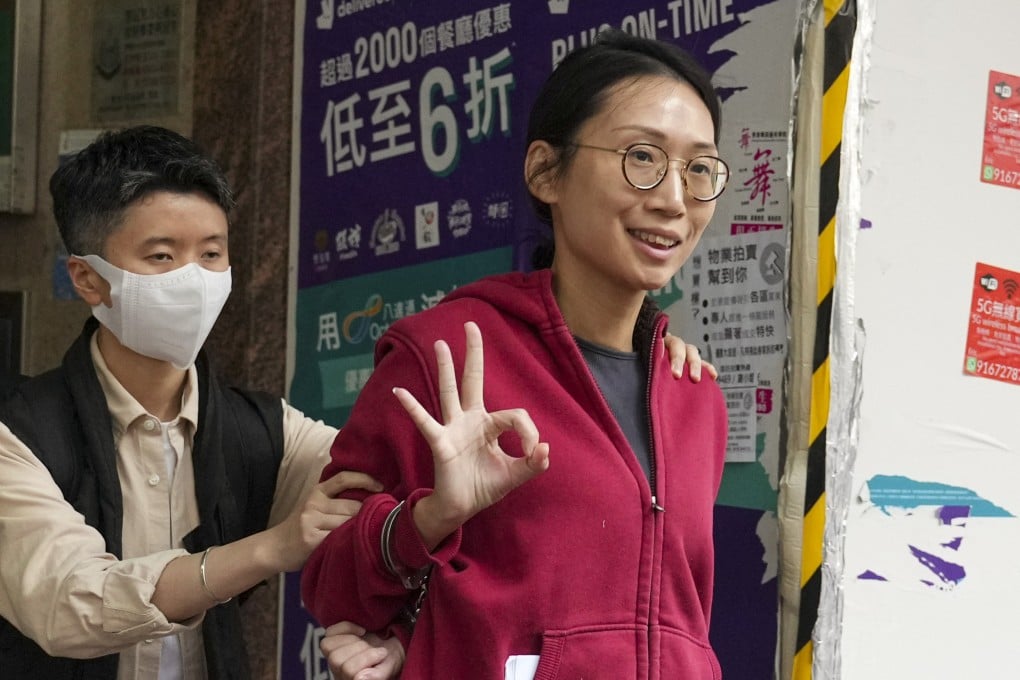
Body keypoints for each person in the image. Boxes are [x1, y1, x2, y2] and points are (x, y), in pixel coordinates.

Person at [301, 28, 730, 680]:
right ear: (544, 172)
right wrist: (429, 519)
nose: (674, 199)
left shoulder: (693, 393)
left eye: (698, 169)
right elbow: (332, 582)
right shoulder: (446, 354)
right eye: (642, 157)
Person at [0, 126, 390, 680]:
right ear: (89, 278)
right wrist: (266, 550)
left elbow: (379, 485)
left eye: (211, 254)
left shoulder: (260, 428)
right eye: (162, 256)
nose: (194, 280)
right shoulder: (19, 435)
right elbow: (69, 602)